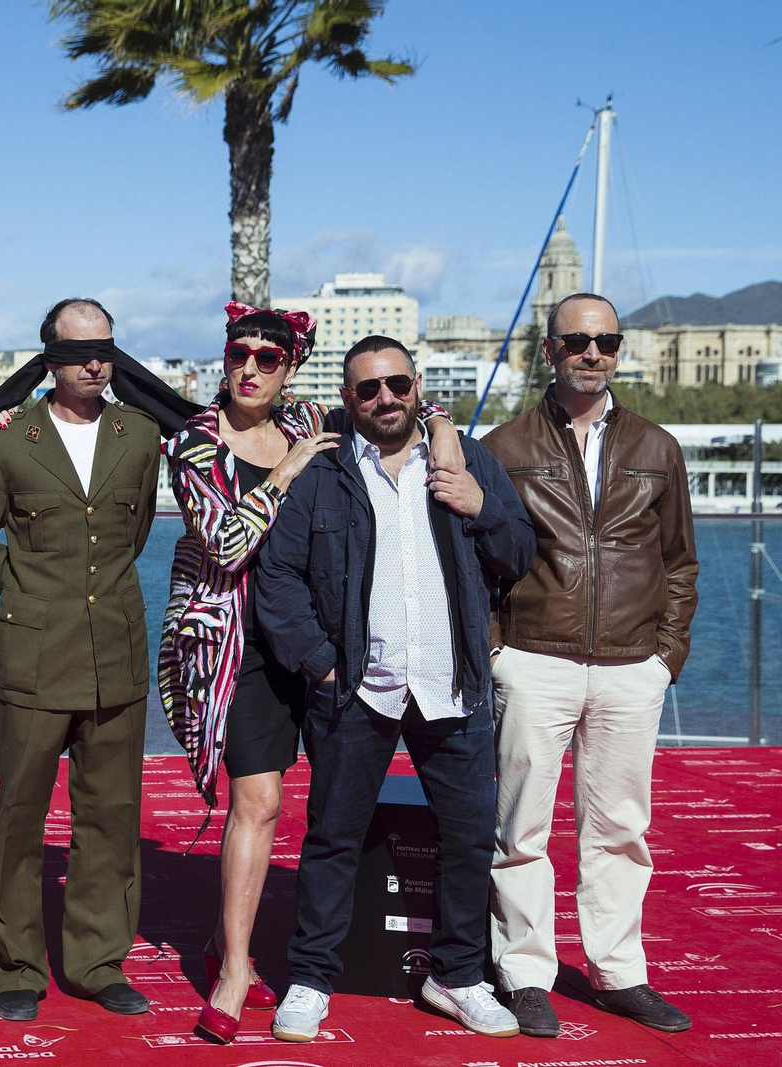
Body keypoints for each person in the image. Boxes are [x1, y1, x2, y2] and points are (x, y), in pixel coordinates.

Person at [158, 303, 463, 1044]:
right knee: (257, 801)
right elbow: (227, 545)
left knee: (334, 803)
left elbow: (397, 409)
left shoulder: (311, 415)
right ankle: (236, 968)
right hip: (238, 644)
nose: (252, 367)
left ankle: (325, 954)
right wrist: (288, 471)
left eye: (269, 356)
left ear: (290, 367)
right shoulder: (195, 442)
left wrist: (447, 429)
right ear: (223, 357)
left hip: (326, 636)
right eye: (241, 353)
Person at [255, 335, 535, 1043]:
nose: (385, 398)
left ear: (418, 388)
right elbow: (278, 577)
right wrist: (320, 663)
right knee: (332, 839)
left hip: (453, 685)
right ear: (348, 398)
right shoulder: (322, 474)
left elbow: (519, 554)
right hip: (357, 688)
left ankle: (459, 974)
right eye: (368, 389)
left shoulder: (467, 460)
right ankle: (312, 977)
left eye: (398, 385)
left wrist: (481, 506)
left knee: (471, 839)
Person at [484, 293, 698, 1036]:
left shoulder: (656, 447)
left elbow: (678, 563)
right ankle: (524, 971)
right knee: (520, 830)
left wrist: (665, 657)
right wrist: (495, 651)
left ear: (619, 347)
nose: (593, 352)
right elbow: (474, 559)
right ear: (550, 348)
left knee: (618, 828)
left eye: (607, 339)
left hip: (631, 666)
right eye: (577, 339)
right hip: (534, 659)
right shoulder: (505, 446)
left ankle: (618, 972)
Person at [0, 298, 161, 1022]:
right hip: (35, 653)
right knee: (19, 814)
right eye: (78, 352)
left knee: (111, 814)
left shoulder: (139, 433)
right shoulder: (8, 440)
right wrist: (35, 592)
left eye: (103, 348)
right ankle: (17, 965)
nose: (94, 362)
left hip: (117, 654)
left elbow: (133, 532)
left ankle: (97, 960)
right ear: (49, 359)